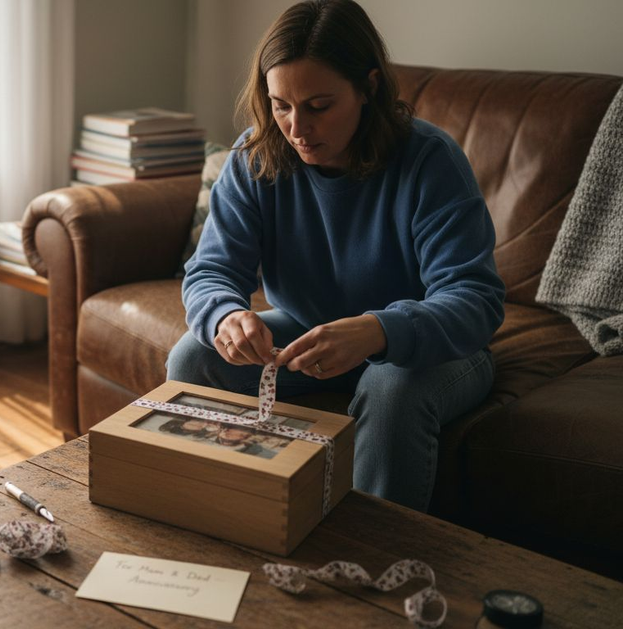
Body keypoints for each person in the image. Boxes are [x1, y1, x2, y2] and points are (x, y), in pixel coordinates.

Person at [167, 0, 505, 512]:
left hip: (434, 350)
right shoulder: (254, 159)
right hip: (310, 335)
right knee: (193, 356)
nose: (296, 127)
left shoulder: (430, 161)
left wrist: (380, 330)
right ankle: (223, 519)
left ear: (368, 88)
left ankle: (370, 565)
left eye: (319, 105)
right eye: (280, 105)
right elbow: (211, 270)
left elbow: (475, 300)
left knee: (390, 386)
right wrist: (225, 314)